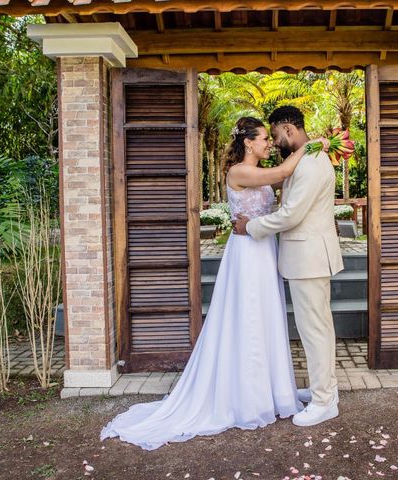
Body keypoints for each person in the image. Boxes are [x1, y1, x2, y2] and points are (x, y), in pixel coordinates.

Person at [100, 116, 326, 450]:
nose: (269, 144)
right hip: (247, 254)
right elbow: (282, 174)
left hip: (263, 250)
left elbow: (289, 182)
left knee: (265, 317)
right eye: (264, 138)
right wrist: (312, 145)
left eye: (269, 138)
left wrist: (315, 151)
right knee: (248, 318)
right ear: (248, 142)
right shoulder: (238, 171)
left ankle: (272, 390)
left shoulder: (258, 172)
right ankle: (248, 398)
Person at [232, 106, 344, 427]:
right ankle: (326, 391)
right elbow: (282, 180)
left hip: (309, 258)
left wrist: (250, 227)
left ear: (288, 129)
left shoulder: (311, 163)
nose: (276, 142)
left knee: (315, 331)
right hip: (306, 257)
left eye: (276, 135)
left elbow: (291, 215)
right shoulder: (306, 158)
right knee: (316, 329)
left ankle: (325, 402)